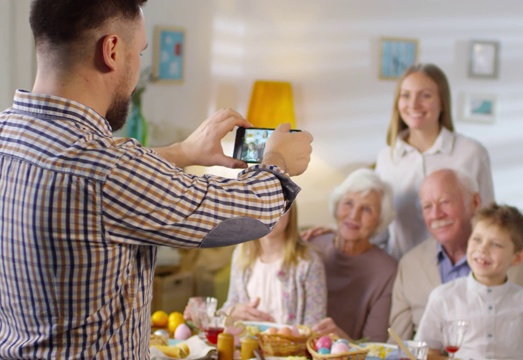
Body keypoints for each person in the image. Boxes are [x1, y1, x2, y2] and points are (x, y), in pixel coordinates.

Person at [0, 1, 312, 358]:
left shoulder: (9, 134)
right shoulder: (106, 170)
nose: (137, 71)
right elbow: (248, 215)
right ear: (112, 51)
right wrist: (277, 161)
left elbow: (87, 170)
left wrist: (181, 152)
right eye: (140, 53)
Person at [388, 169, 523, 342]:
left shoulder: (516, 262)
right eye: (427, 206)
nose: (436, 214)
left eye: (445, 202)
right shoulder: (409, 265)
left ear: (475, 202)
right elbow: (396, 344)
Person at [374, 63, 495, 260]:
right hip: (401, 273)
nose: (413, 104)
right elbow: (379, 229)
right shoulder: (386, 158)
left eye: (425, 95)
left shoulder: (471, 153)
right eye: (406, 95)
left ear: (442, 102)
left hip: (459, 272)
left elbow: (488, 222)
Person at [415, 203, 523, 359]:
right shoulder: (443, 297)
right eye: (477, 239)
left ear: (518, 257)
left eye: (496, 244)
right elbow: (425, 352)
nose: (482, 249)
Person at [307, 168, 397, 342]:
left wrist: (342, 341)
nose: (354, 215)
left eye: (367, 209)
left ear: (380, 219)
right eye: (348, 203)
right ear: (337, 206)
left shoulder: (386, 271)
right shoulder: (312, 244)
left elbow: (374, 346)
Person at [214, 201, 327, 326]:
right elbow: (230, 305)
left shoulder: (308, 262)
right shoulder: (241, 255)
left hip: (291, 345)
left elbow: (315, 326)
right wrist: (232, 312)